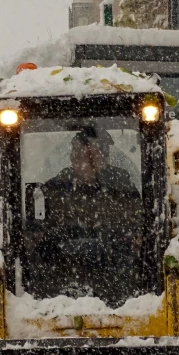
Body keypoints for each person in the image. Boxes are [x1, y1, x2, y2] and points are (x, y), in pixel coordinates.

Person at [25, 128, 143, 307]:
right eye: (78, 154)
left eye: (92, 155)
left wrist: (132, 239)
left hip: (118, 286)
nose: (84, 161)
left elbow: (139, 229)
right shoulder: (53, 190)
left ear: (104, 157)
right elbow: (37, 234)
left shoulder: (123, 188)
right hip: (59, 287)